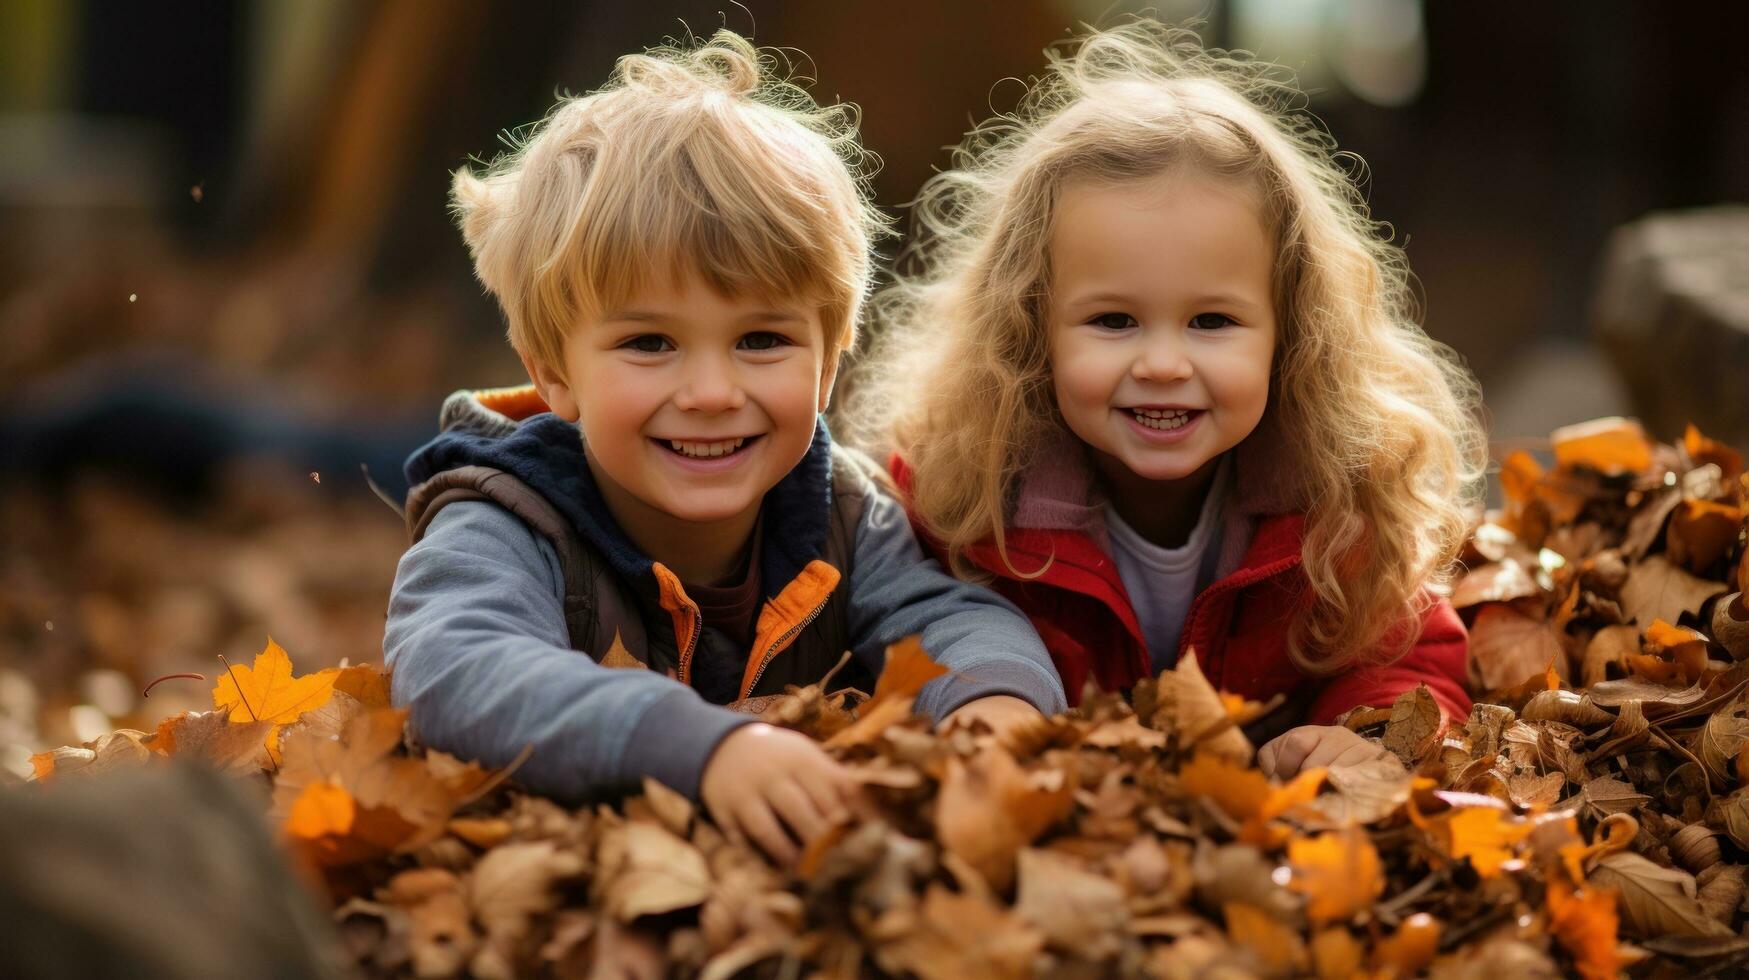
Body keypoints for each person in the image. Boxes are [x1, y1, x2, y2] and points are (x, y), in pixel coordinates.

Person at [383, 30, 1065, 865]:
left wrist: (990, 706)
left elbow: (950, 616)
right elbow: (455, 668)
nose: (710, 392)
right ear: (554, 373)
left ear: (829, 359)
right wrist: (698, 748)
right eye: (649, 344)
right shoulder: (508, 520)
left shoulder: (841, 511)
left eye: (761, 341)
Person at [857, 20, 1485, 778]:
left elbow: (1405, 647)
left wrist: (1367, 735)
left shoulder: (1335, 497)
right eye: (1113, 321)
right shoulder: (964, 495)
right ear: (1032, 329)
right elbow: (900, 632)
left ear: (1291, 333)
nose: (1161, 364)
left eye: (1211, 322)